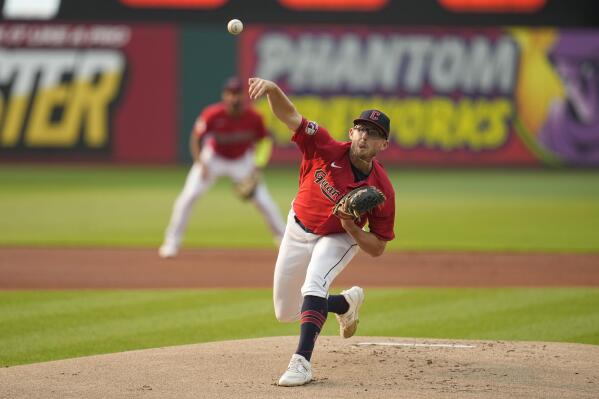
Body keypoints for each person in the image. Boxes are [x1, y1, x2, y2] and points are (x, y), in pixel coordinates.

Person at [248, 77, 396, 386]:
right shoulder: (325, 146)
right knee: (285, 312)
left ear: (385, 145)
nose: (367, 137)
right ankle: (344, 303)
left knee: (313, 285)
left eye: (376, 135)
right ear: (351, 133)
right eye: (363, 130)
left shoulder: (382, 190)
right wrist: (274, 90)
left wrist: (350, 227)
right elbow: (292, 118)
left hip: (339, 236)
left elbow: (378, 247)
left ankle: (301, 362)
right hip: (297, 227)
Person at [159, 77, 286, 258]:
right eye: (230, 94)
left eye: (237, 93)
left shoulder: (254, 117)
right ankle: (171, 242)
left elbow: (264, 141)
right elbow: (196, 137)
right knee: (188, 197)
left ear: (244, 95)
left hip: (242, 160)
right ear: (224, 96)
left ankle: (283, 240)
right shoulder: (212, 114)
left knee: (264, 202)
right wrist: (200, 163)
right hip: (214, 158)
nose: (234, 98)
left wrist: (258, 165)